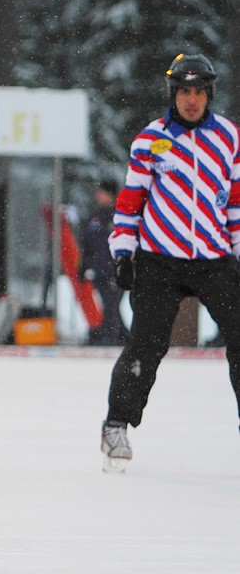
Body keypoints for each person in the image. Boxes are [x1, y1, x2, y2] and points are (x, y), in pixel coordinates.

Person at [101, 53, 240, 473]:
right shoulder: (151, 140)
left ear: (209, 95)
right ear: (173, 94)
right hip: (160, 258)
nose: (192, 100)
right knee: (146, 344)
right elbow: (130, 202)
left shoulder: (230, 137)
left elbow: (235, 204)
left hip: (214, 259)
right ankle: (116, 426)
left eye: (199, 92)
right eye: (184, 91)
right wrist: (123, 251)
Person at [79, 179, 127, 346]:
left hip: (114, 269)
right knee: (109, 304)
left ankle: (109, 336)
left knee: (111, 304)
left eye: (102, 192)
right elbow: (86, 243)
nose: (98, 195)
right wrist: (84, 265)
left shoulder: (119, 215)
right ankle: (122, 335)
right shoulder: (94, 215)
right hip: (99, 269)